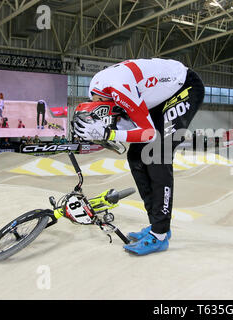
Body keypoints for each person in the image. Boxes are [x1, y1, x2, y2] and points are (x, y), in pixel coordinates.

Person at [73, 58, 204, 256]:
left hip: (185, 86)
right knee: (136, 155)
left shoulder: (120, 92)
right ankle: (157, 226)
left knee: (158, 154)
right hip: (158, 97)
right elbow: (127, 125)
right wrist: (99, 135)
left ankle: (159, 234)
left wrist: (109, 134)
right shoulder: (97, 92)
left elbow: (148, 133)